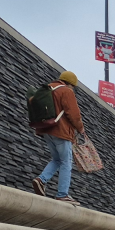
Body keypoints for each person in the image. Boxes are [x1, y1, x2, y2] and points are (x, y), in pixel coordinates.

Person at [31, 70, 84, 204]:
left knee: (57, 159)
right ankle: (62, 194)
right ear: (71, 84)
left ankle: (41, 180)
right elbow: (74, 114)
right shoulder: (66, 91)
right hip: (61, 131)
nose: (73, 89)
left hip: (47, 130)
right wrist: (80, 129)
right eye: (73, 87)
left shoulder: (49, 88)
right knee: (66, 161)